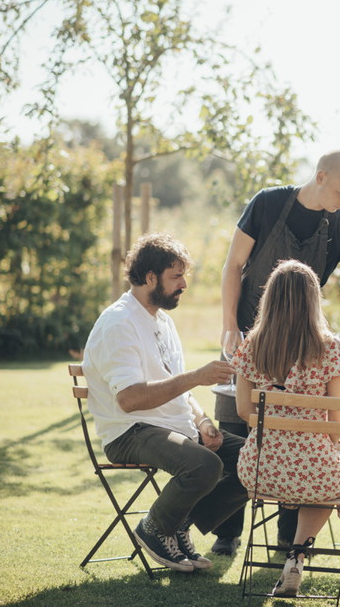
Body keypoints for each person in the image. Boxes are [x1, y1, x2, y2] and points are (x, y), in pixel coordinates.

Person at [214, 149, 340, 550]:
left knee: (295, 429)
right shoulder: (268, 203)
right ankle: (227, 534)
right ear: (321, 177)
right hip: (251, 340)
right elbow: (233, 265)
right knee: (236, 427)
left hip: (302, 346)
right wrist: (229, 327)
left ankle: (285, 540)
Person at [232, 259, 340, 597]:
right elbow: (336, 427)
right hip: (316, 471)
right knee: (329, 472)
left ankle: (319, 546)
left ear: (268, 299)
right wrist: (320, 444)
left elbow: (243, 410)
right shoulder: (334, 351)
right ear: (314, 300)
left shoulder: (250, 347)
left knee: (325, 472)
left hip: (258, 468)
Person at [82, 233, 247, 572]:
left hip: (176, 426)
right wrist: (196, 377)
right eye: (176, 276)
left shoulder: (164, 321)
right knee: (205, 466)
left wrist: (202, 421)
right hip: (131, 431)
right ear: (150, 277)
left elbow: (178, 386)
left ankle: (176, 525)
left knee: (258, 460)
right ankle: (155, 527)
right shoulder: (119, 322)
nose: (184, 284)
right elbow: (129, 399)